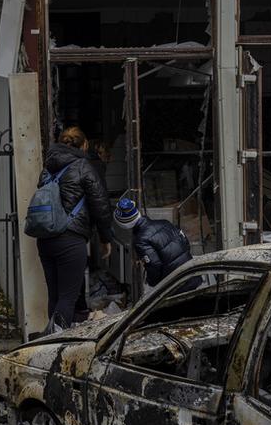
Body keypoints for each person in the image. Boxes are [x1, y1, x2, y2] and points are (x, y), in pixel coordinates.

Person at [36, 127, 113, 333]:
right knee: (68, 298)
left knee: (55, 296)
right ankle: (54, 343)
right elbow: (100, 204)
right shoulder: (83, 166)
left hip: (45, 239)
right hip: (70, 239)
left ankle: (50, 340)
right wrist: (106, 238)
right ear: (84, 145)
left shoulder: (47, 168)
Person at [113, 198, 194, 287]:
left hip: (177, 286)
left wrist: (152, 283)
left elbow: (154, 265)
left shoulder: (140, 241)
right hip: (193, 273)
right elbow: (185, 242)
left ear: (124, 225)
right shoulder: (165, 222)